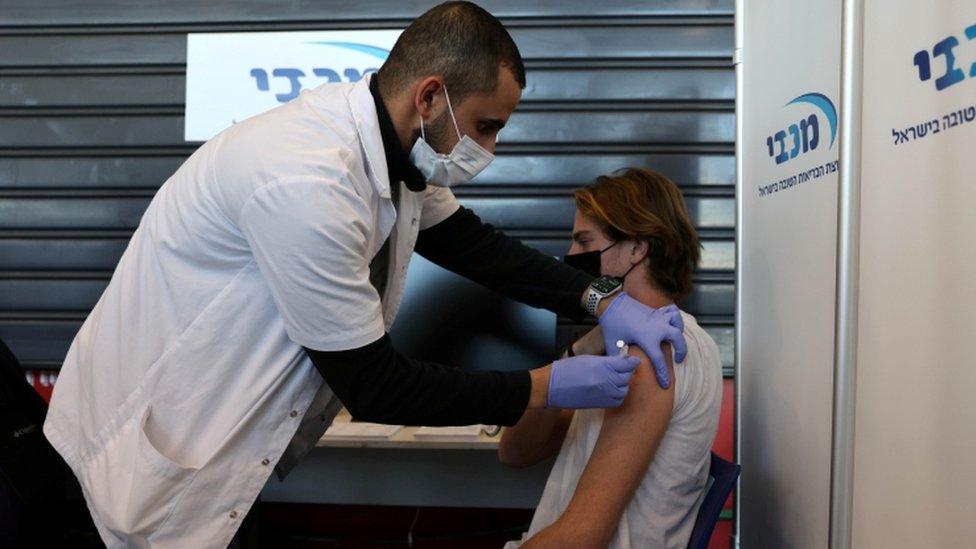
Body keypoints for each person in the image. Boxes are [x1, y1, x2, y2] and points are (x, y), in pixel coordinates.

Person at [43, 3, 688, 547]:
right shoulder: (307, 181)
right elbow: (376, 386)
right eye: (486, 126)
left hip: (209, 453)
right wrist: (544, 387)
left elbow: (475, 246)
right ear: (430, 96)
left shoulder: (397, 156)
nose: (490, 150)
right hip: (129, 468)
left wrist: (601, 297)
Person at [499, 168, 722, 549]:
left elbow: (582, 537)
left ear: (637, 249)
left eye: (584, 242)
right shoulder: (617, 345)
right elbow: (516, 451)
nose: (571, 257)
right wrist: (577, 351)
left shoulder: (654, 352)